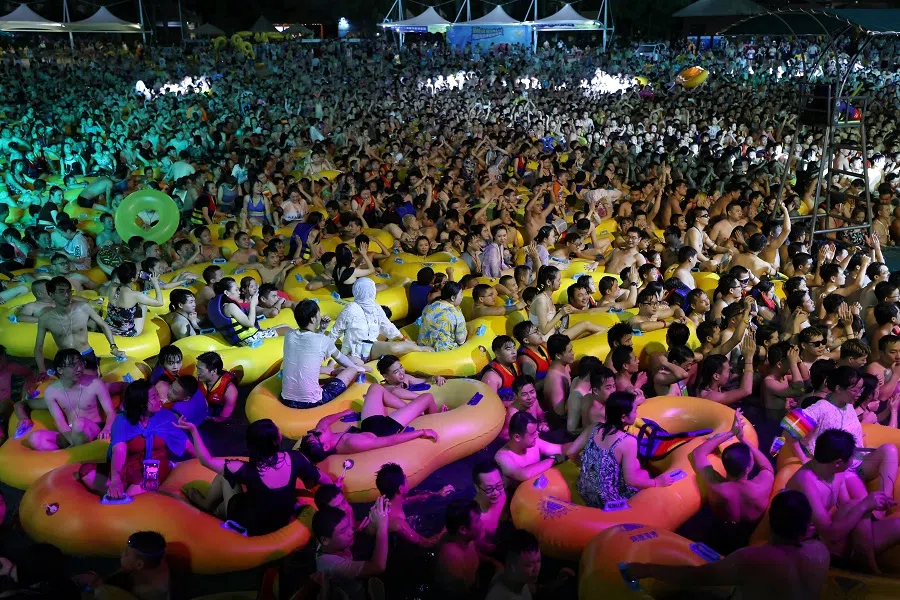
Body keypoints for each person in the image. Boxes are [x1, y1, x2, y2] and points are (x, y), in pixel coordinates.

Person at [622, 491, 830, 600]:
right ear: (806, 529)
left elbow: (695, 577)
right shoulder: (820, 552)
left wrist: (645, 569)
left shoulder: (753, 559)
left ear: (770, 523)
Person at [176, 417, 333, 535]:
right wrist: (335, 487)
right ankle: (216, 508)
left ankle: (206, 505)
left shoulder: (244, 469)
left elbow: (206, 460)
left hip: (252, 524)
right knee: (232, 480)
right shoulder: (295, 458)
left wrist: (193, 430)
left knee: (225, 477)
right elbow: (323, 479)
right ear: (275, 440)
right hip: (280, 520)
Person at [787, 429, 900, 574]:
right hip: (810, 544)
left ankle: (862, 557)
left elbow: (848, 507)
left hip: (836, 536)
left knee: (896, 524)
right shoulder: (806, 482)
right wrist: (865, 505)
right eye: (851, 457)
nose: (853, 461)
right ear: (838, 462)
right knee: (859, 505)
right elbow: (829, 534)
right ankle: (867, 562)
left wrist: (874, 504)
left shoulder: (836, 473)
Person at [793, 366, 899, 504]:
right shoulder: (820, 408)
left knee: (889, 450)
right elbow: (789, 431)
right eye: (854, 390)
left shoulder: (848, 406)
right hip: (841, 469)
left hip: (858, 461)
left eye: (860, 389)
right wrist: (803, 459)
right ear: (838, 388)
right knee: (862, 500)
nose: (859, 394)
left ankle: (885, 500)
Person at [78, 380, 192, 500]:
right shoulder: (122, 421)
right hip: (127, 466)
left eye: (157, 395)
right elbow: (119, 450)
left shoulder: (166, 417)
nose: (160, 400)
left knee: (132, 494)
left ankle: (124, 497)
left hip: (153, 466)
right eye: (154, 397)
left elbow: (185, 443)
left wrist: (203, 460)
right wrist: (115, 480)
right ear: (141, 403)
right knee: (87, 472)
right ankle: (118, 495)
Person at [568, 391, 681, 510]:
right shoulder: (627, 442)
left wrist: (587, 466)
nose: (636, 413)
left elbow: (570, 452)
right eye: (634, 411)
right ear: (623, 417)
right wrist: (656, 482)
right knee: (645, 474)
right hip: (606, 501)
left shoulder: (594, 428)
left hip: (584, 490)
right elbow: (631, 480)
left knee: (637, 469)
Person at [691, 409, 775, 554]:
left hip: (721, 532)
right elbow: (767, 467)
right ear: (749, 467)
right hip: (753, 534)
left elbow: (698, 453)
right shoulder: (761, 486)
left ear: (724, 465)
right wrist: (743, 439)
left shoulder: (715, 484)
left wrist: (731, 432)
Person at [282, 299, 368, 409]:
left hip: (286, 399)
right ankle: (333, 370)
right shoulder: (323, 340)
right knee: (351, 368)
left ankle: (330, 369)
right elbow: (342, 359)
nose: (320, 316)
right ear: (313, 319)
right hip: (312, 401)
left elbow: (311, 345)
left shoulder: (289, 335)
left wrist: (322, 329)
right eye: (318, 314)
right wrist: (359, 368)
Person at [25, 349, 115, 451]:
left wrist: (107, 428)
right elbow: (61, 423)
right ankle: (70, 455)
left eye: (80, 363)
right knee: (34, 438)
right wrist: (73, 442)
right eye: (73, 365)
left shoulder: (95, 384)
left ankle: (73, 452)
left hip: (93, 429)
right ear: (60, 370)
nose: (79, 368)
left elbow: (110, 412)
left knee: (79, 423)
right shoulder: (51, 392)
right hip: (70, 432)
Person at [35, 277, 125, 376]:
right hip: (65, 359)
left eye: (69, 291)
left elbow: (103, 325)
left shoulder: (83, 308)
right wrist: (41, 370)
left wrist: (114, 347)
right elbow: (38, 347)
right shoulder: (45, 318)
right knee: (69, 389)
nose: (66, 295)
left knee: (93, 385)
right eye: (61, 292)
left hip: (86, 354)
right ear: (51, 295)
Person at [329, 278, 431, 361]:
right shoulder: (351, 309)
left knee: (394, 348)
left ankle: (420, 349)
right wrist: (324, 350)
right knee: (357, 363)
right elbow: (336, 331)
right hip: (354, 350)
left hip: (372, 346)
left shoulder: (375, 307)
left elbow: (387, 326)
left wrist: (404, 339)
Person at [313, 498, 390, 600]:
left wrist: (378, 514)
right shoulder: (331, 564)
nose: (351, 532)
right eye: (344, 531)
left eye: (349, 526)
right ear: (325, 540)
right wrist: (382, 524)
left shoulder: (326, 540)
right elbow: (378, 567)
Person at [365, 463, 450, 548]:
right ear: (401, 489)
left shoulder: (385, 505)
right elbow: (426, 543)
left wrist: (437, 494)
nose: (407, 479)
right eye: (405, 478)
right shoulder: (399, 524)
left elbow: (412, 499)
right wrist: (446, 530)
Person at [494, 411, 580, 488]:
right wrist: (554, 459)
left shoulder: (534, 443)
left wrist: (584, 445)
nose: (537, 434)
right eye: (532, 433)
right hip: (515, 499)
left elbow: (561, 449)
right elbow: (523, 474)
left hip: (537, 488)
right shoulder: (503, 456)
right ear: (517, 437)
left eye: (536, 430)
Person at [206, 276, 290, 347]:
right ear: (227, 292)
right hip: (249, 339)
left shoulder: (224, 306)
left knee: (284, 325)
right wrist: (252, 304)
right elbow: (250, 323)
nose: (239, 292)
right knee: (287, 330)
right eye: (236, 290)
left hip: (246, 337)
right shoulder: (230, 306)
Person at [87, 531, 171, 600]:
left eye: (126, 553)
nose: (122, 554)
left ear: (139, 564)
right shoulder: (154, 563)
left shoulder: (154, 592)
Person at [434, 499, 487, 599]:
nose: (482, 523)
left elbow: (473, 553)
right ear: (463, 529)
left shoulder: (465, 538)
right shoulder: (452, 559)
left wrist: (493, 562)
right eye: (477, 520)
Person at [104, 262, 164, 337]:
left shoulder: (113, 286)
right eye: (137, 272)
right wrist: (155, 284)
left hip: (108, 328)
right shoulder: (136, 295)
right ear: (132, 279)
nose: (138, 273)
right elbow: (160, 302)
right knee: (143, 304)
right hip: (124, 333)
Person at [484, 529, 543, 600]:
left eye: (538, 561)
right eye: (529, 565)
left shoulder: (515, 579)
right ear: (511, 566)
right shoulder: (503, 596)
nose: (536, 569)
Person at [417, 281, 467, 351]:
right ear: (453, 298)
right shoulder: (457, 314)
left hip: (423, 348)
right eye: (461, 294)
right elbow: (461, 340)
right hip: (442, 354)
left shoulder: (428, 306)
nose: (462, 297)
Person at [472, 460, 507, 552]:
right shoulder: (477, 519)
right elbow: (474, 548)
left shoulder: (502, 493)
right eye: (489, 489)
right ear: (476, 488)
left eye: (499, 485)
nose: (496, 493)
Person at [195, 351, 240, 421]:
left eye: (200, 370)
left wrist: (211, 419)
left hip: (217, 418)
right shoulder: (199, 380)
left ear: (213, 371)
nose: (197, 372)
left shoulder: (230, 390)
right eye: (197, 368)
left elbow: (225, 416)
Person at [480, 335, 520, 404]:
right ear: (497, 353)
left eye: (514, 347)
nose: (514, 352)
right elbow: (490, 403)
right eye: (508, 349)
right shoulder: (491, 376)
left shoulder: (515, 364)